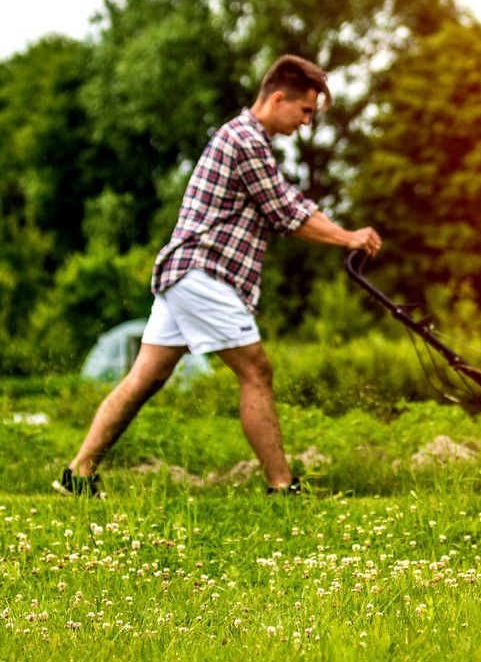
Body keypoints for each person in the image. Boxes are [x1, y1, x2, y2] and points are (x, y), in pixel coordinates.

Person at [54, 55, 381, 498]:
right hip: (202, 274)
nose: (306, 122)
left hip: (187, 274)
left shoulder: (251, 140)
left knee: (144, 378)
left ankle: (79, 473)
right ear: (279, 97)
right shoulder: (244, 138)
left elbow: (289, 200)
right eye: (304, 111)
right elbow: (286, 212)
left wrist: (341, 234)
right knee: (257, 371)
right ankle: (282, 487)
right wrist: (348, 237)